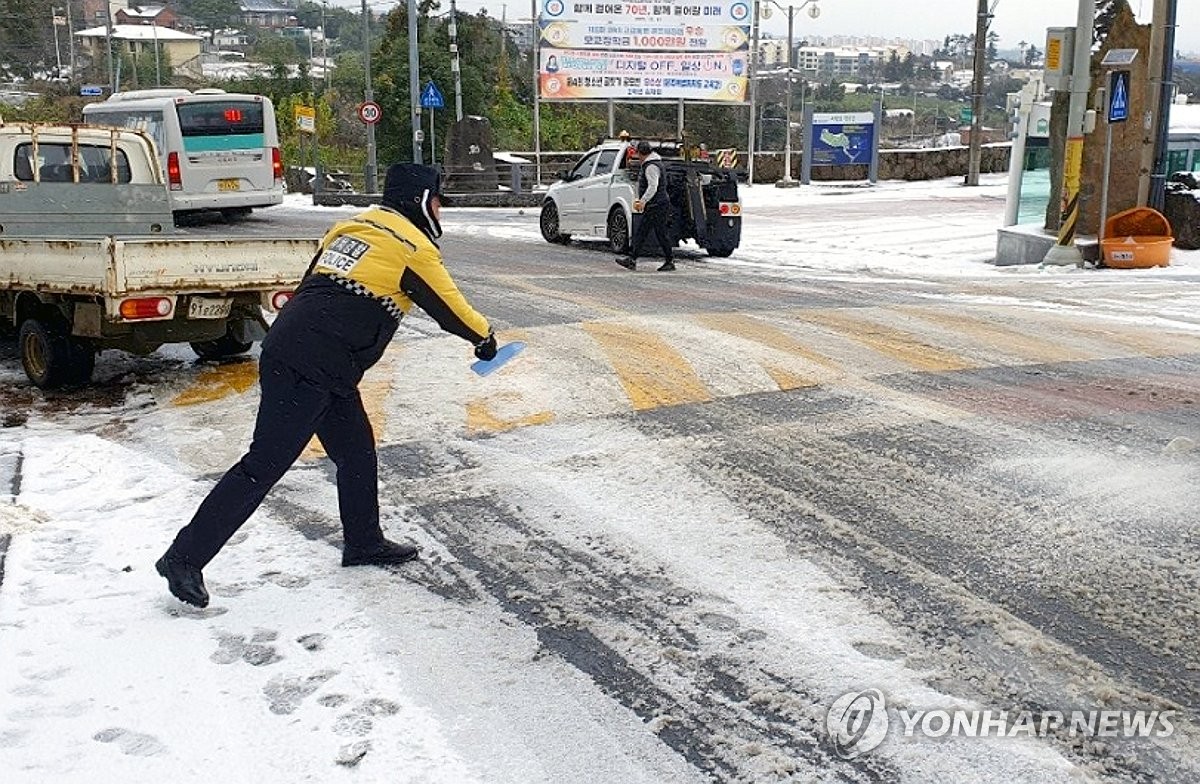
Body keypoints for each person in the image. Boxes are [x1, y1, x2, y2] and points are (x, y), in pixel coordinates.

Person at [155, 163, 497, 608]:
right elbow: (450, 309)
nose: (440, 212)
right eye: (437, 202)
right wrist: (484, 338)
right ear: (419, 201)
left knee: (356, 451)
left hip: (310, 356)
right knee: (264, 464)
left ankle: (363, 541)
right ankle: (183, 558)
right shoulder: (410, 246)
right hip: (311, 363)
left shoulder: (349, 229)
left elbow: (309, 286)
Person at [615, 140, 675, 273]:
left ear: (641, 153)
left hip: (657, 204)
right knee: (644, 232)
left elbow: (653, 187)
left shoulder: (651, 166)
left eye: (637, 153)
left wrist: (643, 201)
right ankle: (633, 259)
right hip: (657, 203)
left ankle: (669, 261)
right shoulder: (654, 163)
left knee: (658, 233)